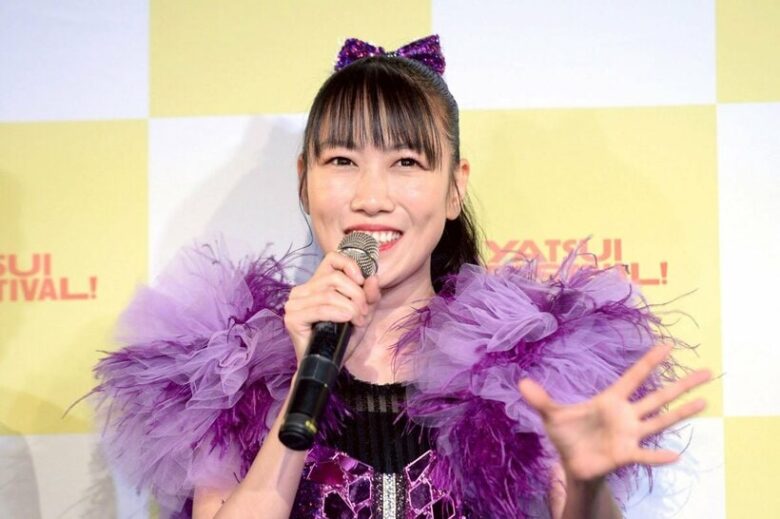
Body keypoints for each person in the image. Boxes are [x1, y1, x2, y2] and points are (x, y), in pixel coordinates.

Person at [88, 35, 712, 518]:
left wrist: (588, 484)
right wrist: (301, 383)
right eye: (342, 161)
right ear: (304, 179)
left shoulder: (524, 365)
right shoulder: (237, 371)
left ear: (454, 188)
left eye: (406, 162)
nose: (371, 197)